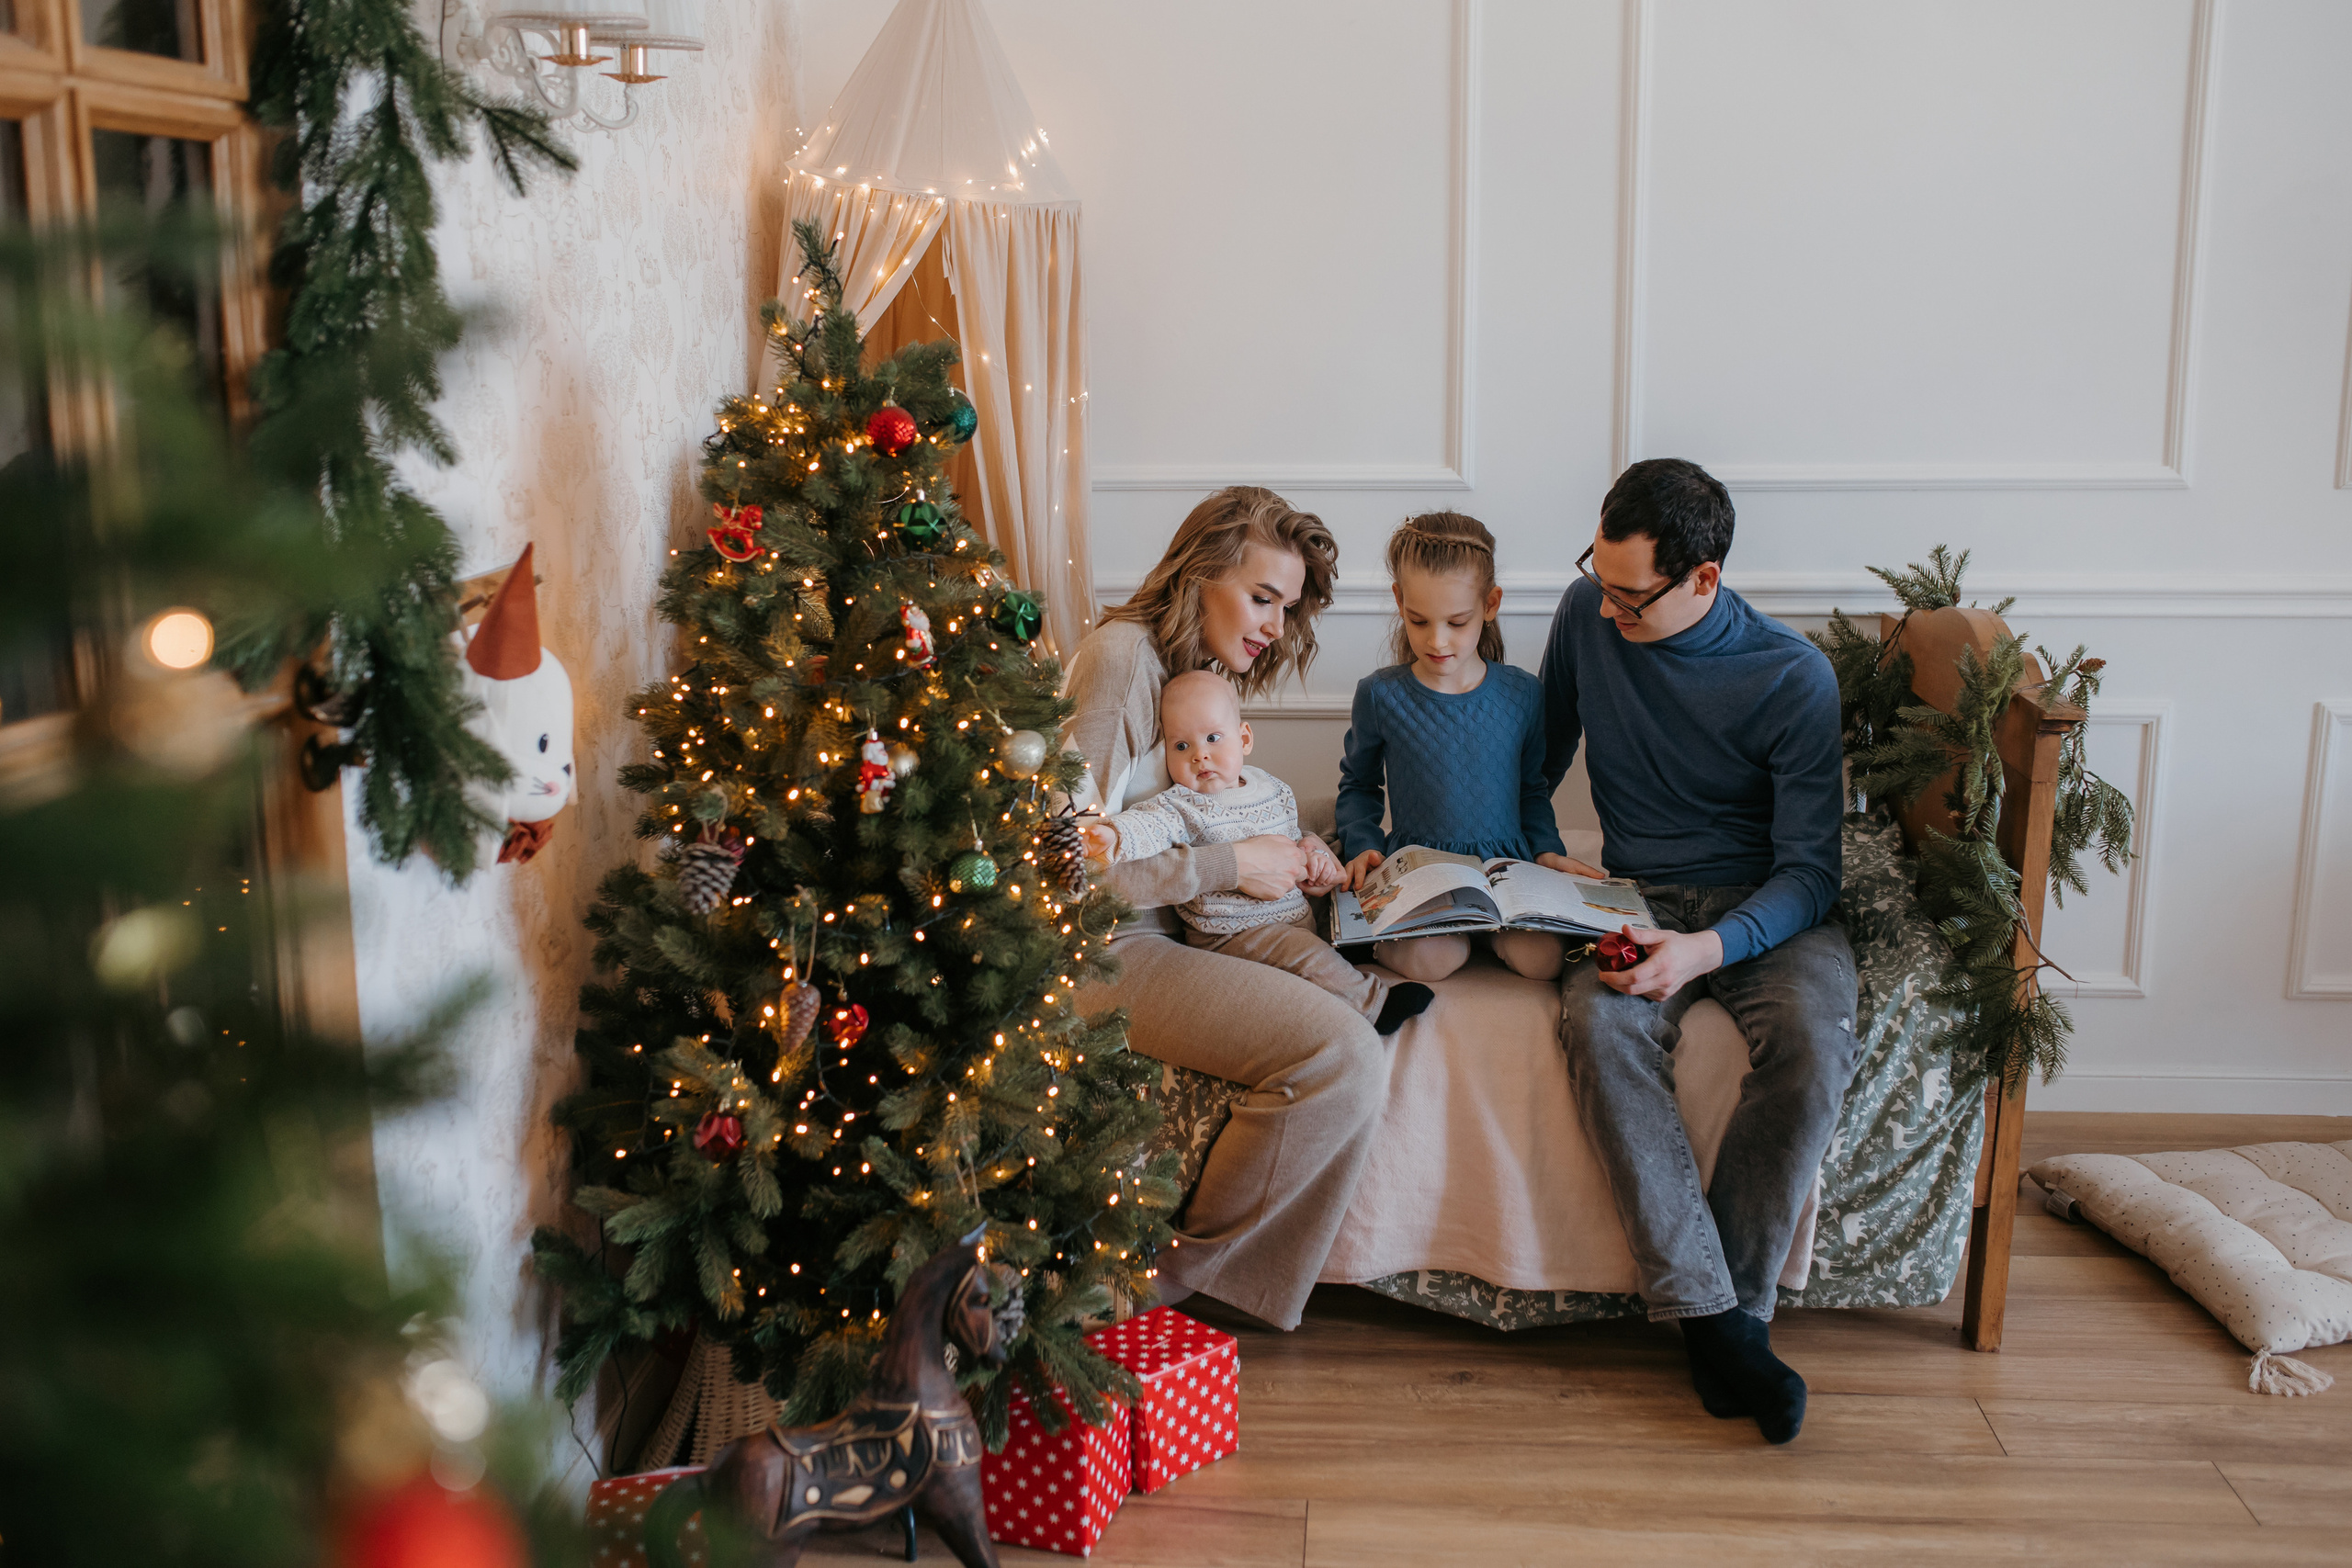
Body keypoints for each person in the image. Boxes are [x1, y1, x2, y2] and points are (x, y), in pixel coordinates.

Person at [1538, 458, 1858, 1446]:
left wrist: (1706, 949)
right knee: (1597, 1024)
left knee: (1812, 1039)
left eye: (1632, 598)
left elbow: (1811, 873)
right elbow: (1535, 755)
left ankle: (1733, 1320)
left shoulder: (1790, 675)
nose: (1608, 611)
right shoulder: (1586, 609)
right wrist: (1543, 857)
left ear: (1705, 579)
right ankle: (1717, 1329)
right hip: (1634, 891)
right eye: (1601, 578)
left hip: (1763, 906)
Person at [1062, 485, 1385, 1332]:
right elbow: (1058, 871)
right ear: (1201, 573)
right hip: (1101, 953)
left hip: (1176, 937)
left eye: (1288, 607)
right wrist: (1229, 865)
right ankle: (1172, 1279)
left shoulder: (1192, 680)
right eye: (1263, 597)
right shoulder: (1123, 660)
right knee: (1344, 1053)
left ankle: (1222, 1291)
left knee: (1346, 1008)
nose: (1276, 626)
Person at [1084, 670, 1437, 1035]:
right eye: (1181, 746)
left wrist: (1311, 852)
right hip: (1234, 933)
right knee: (1304, 953)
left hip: (1290, 908)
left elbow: (1290, 833)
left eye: (1212, 738)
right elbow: (1149, 824)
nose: (1199, 756)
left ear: (1244, 738)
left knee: (1338, 883)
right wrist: (1113, 836)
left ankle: (1354, 943)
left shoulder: (1270, 787)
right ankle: (1373, 1003)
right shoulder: (1181, 805)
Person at [1334, 511, 1577, 982]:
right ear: (1399, 600)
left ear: (1490, 604)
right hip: (1424, 869)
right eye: (1418, 620)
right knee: (1437, 961)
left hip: (1508, 870)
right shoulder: (1381, 695)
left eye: (1457, 622)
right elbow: (1358, 784)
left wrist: (1546, 849)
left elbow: (1532, 789)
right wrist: (1361, 844)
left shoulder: (1523, 693)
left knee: (1543, 962)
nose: (1437, 640)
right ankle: (1396, 941)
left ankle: (1486, 932)